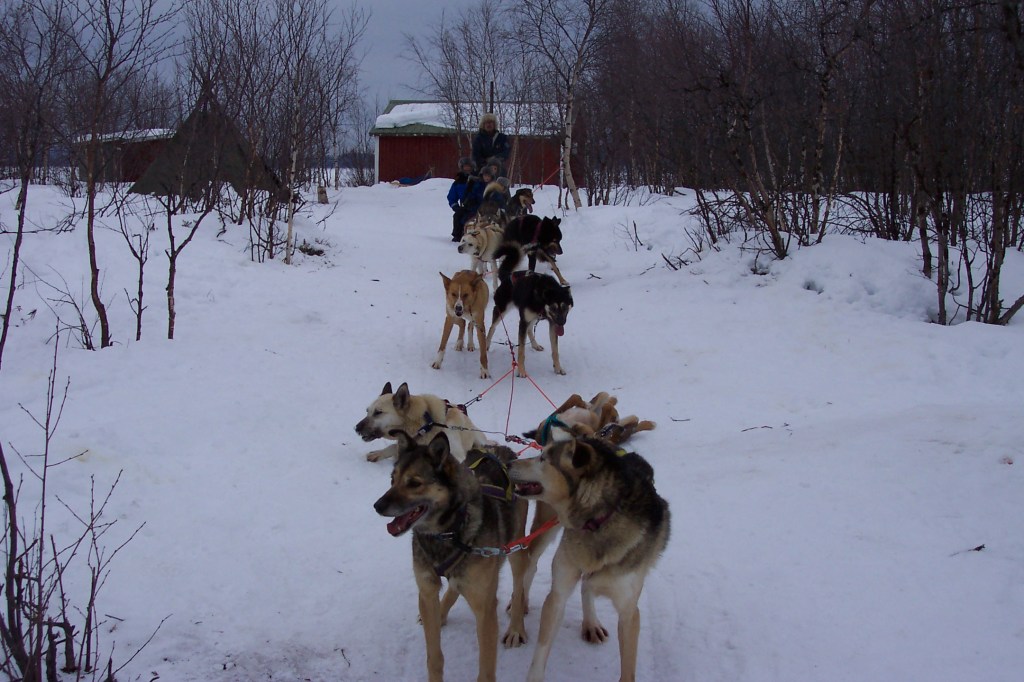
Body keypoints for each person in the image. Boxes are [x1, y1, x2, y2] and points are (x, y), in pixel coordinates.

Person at [453, 165, 496, 241]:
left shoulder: (494, 186)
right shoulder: (478, 185)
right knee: (461, 216)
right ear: (482, 176)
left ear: (491, 176)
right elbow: (472, 194)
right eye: (485, 175)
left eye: (488, 176)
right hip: (475, 207)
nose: (486, 177)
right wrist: (469, 200)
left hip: (489, 210)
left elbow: (497, 198)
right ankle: (458, 235)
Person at [447, 157, 475, 240]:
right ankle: (457, 235)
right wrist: (455, 206)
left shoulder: (477, 179)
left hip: (476, 204)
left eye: (469, 167)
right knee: (457, 216)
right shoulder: (458, 182)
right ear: (462, 167)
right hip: (464, 206)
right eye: (465, 167)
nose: (467, 169)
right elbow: (451, 196)